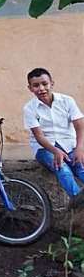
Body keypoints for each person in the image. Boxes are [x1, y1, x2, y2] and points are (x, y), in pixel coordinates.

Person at [23, 67, 84, 208]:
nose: (41, 88)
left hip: (71, 145)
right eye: (36, 85)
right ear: (30, 88)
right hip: (45, 149)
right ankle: (79, 204)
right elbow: (39, 136)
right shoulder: (29, 108)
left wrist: (80, 148)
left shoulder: (67, 101)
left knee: (81, 168)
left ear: (52, 83)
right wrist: (56, 151)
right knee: (63, 169)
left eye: (45, 84)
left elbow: (79, 125)